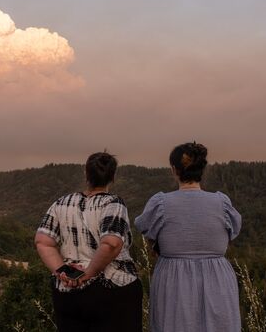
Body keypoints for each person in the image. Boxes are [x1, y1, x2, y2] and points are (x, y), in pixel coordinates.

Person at [135, 142, 242, 332]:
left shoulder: (161, 203)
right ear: (202, 170)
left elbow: (143, 226)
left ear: (174, 170)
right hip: (217, 278)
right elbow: (232, 232)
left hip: (174, 280)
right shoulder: (222, 202)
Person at [35, 152, 143, 332]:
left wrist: (63, 271)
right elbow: (111, 243)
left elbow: (42, 241)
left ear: (86, 174)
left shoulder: (61, 203)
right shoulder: (113, 204)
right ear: (113, 177)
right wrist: (90, 272)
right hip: (113, 290)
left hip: (68, 294)